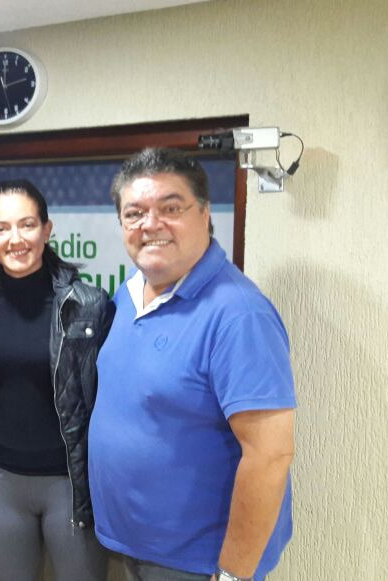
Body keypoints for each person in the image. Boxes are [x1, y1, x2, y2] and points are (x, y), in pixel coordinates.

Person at [88, 147, 297, 581]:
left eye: (171, 207)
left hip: (196, 562)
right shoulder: (128, 295)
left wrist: (234, 575)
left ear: (204, 214)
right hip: (135, 543)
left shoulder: (238, 314)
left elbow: (270, 455)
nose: (151, 225)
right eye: (134, 213)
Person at [0, 180, 111, 581]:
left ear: (47, 229)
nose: (16, 238)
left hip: (70, 485)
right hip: (0, 482)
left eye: (27, 225)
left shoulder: (87, 304)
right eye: (2, 228)